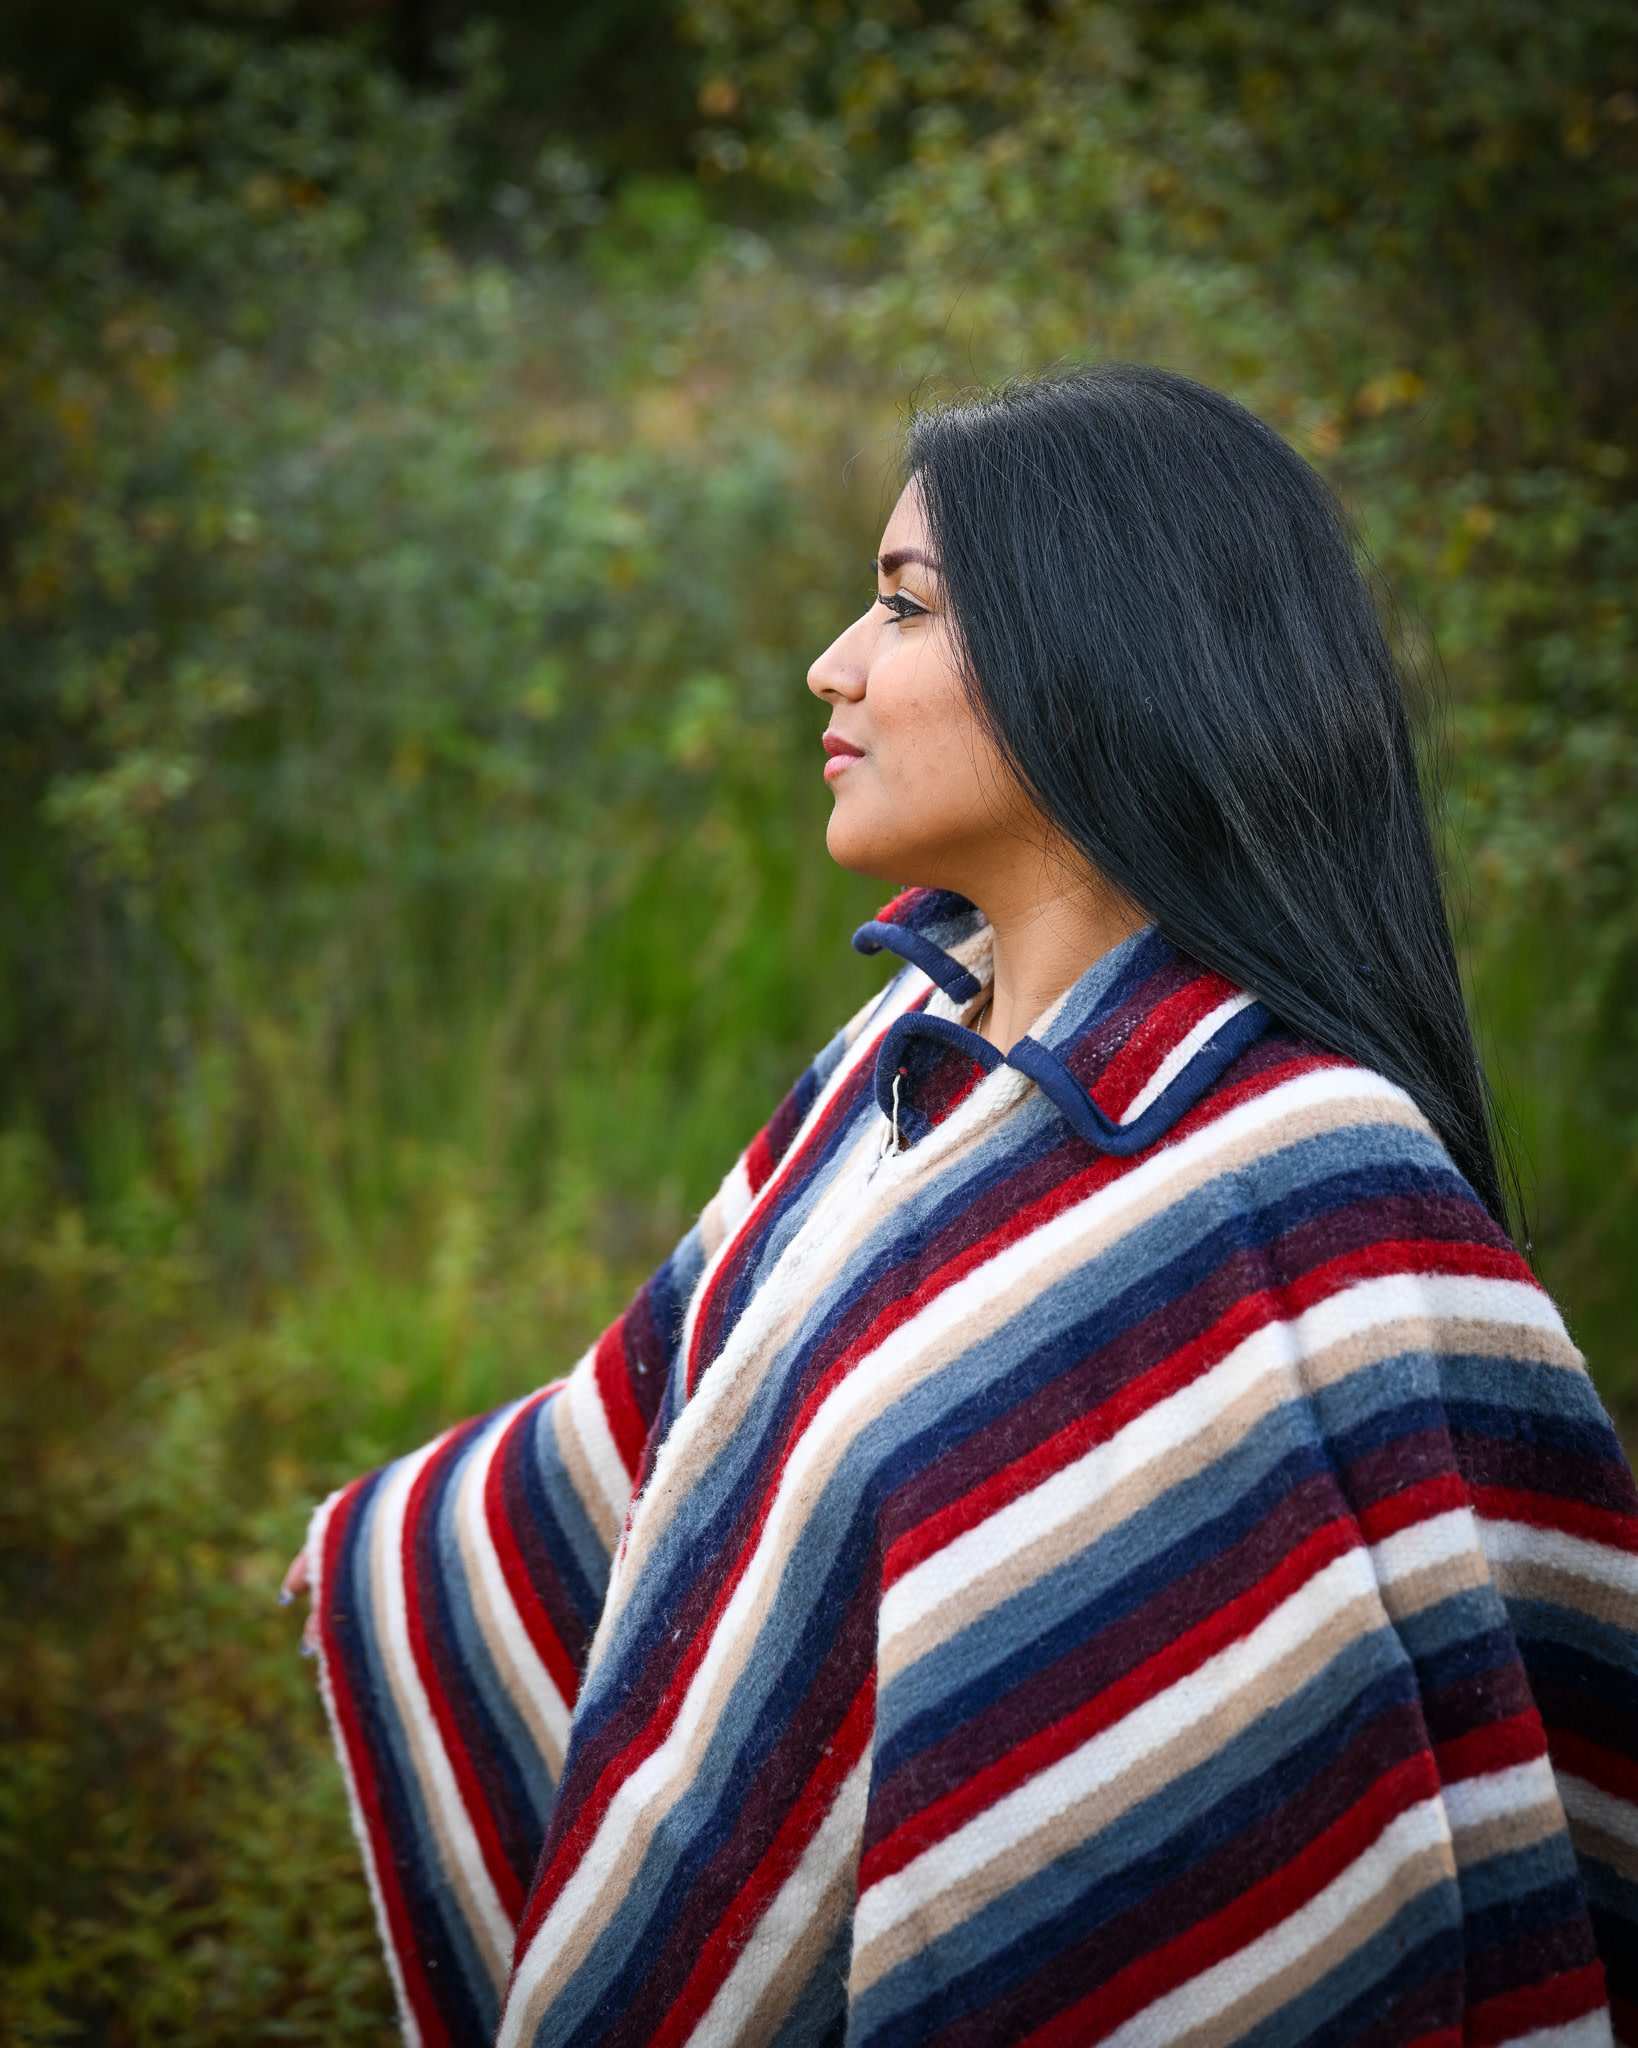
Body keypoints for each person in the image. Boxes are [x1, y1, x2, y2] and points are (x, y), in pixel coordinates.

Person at [284, 366, 1638, 2048]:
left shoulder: (1305, 1175)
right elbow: (672, 1421)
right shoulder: (906, 1052)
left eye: (902, 606)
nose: (831, 667)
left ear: (1100, 651)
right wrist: (398, 1548)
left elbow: (1345, 1777)